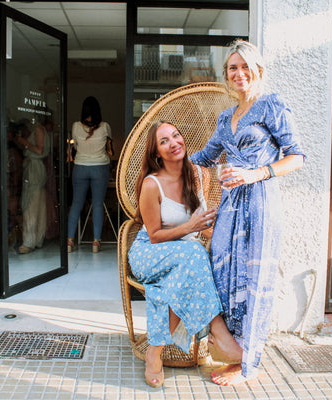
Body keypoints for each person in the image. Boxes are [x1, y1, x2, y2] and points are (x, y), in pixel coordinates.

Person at [190, 39, 306, 385]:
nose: (239, 73)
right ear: (226, 75)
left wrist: (255, 172)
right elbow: (203, 158)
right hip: (229, 208)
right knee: (225, 276)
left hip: (260, 202)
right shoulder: (226, 118)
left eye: (245, 66)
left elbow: (297, 157)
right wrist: (165, 162)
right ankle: (235, 352)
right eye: (232, 68)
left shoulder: (271, 106)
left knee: (255, 280)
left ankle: (247, 365)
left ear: (257, 70)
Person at [128, 120, 243, 388]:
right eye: (164, 141)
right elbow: (155, 235)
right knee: (192, 254)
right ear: (156, 152)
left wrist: (229, 244)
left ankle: (154, 353)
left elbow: (204, 226)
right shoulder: (151, 184)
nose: (173, 143)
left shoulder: (194, 174)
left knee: (179, 278)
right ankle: (220, 334)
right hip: (149, 253)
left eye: (175, 135)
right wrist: (190, 227)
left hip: (182, 257)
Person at [67, 96, 113, 253]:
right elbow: (109, 147)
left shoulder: (75, 126)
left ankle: (69, 241)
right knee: (98, 204)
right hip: (100, 167)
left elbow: (76, 146)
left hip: (80, 166)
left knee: (76, 203)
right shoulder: (105, 126)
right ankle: (95, 242)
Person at [15, 118, 50, 254]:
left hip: (34, 170)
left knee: (31, 204)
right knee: (38, 204)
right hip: (35, 168)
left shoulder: (38, 129)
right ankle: (36, 239)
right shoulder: (36, 129)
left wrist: (24, 142)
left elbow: (39, 150)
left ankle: (29, 241)